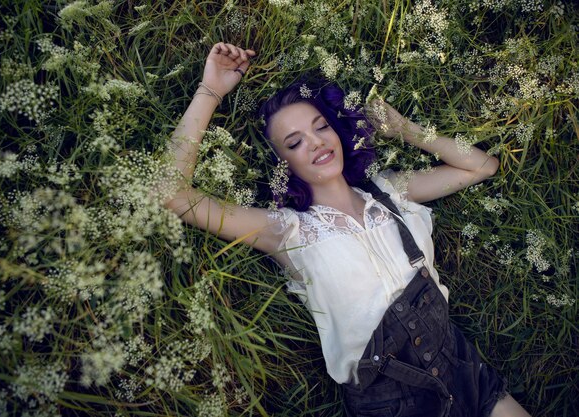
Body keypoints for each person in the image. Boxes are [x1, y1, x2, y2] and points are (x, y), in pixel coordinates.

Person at [163, 42, 531, 417]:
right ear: (282, 164)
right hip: (392, 402)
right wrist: (210, 91)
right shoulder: (287, 232)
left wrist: (404, 129)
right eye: (295, 142)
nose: (316, 142)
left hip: (462, 369)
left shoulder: (390, 192)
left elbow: (482, 167)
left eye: (320, 127)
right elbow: (173, 194)